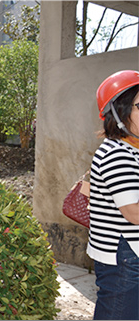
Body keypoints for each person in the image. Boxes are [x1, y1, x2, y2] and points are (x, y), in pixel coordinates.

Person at [88, 70, 139, 320]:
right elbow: (133, 212)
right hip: (124, 257)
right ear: (119, 111)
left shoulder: (132, 149)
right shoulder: (116, 153)